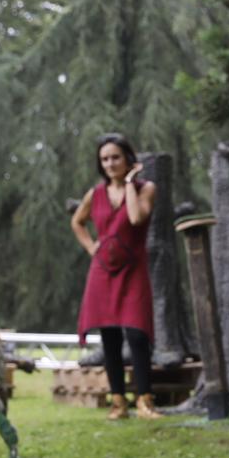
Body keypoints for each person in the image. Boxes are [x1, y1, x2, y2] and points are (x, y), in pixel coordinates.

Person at [69, 133, 158, 421]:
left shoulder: (146, 189)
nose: (110, 163)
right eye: (105, 159)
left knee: (136, 333)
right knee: (109, 335)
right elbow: (77, 222)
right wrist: (91, 247)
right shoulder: (94, 195)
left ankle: (145, 401)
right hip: (102, 271)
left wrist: (130, 183)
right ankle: (118, 402)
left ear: (128, 158)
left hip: (133, 269)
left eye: (115, 157)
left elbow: (135, 218)